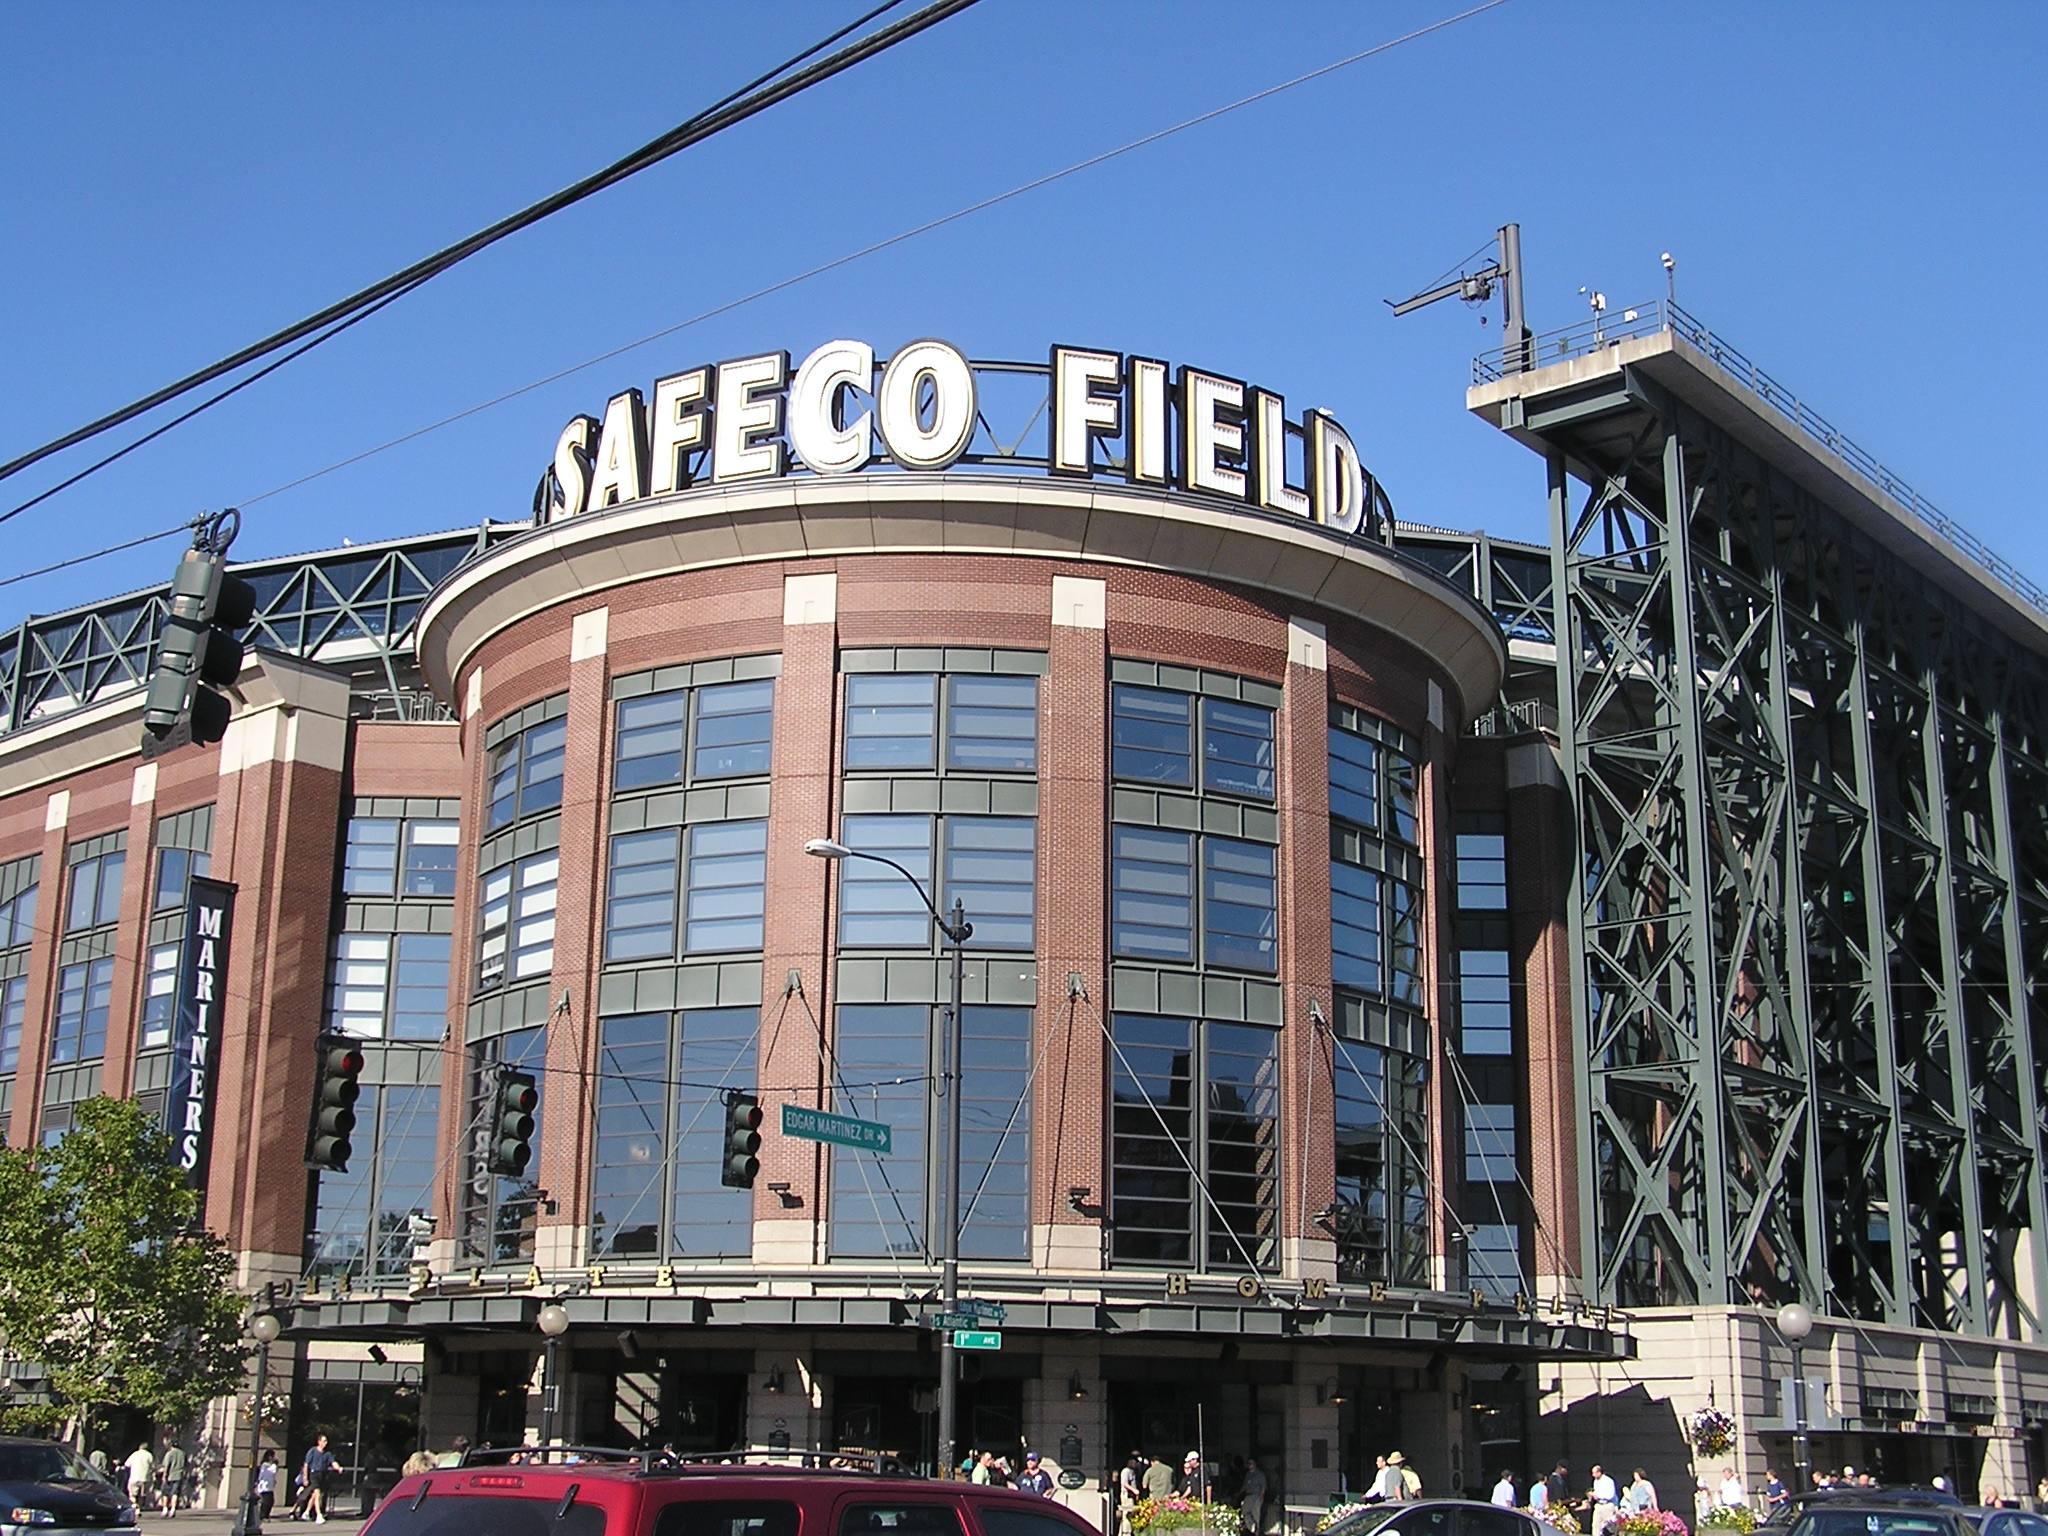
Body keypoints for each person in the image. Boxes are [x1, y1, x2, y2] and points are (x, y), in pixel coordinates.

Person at [299, 1433, 336, 1523]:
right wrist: (305, 1477)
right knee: (317, 1493)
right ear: (319, 1442)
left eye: (326, 1441)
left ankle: (306, 1512)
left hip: (322, 1475)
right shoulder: (312, 1451)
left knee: (315, 1495)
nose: (325, 1443)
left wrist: (338, 1468)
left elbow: (333, 1462)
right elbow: (306, 1464)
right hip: (313, 1474)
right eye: (323, 1441)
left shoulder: (327, 1454)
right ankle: (319, 1515)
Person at [1240, 1455, 1268, 1535]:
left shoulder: (1260, 1474)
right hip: (1248, 1496)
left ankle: (1257, 1532)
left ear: (1255, 1464)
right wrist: (1239, 1493)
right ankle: (1252, 1527)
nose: (1249, 1465)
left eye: (1251, 1463)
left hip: (1256, 1496)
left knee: (1256, 1515)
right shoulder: (1247, 1474)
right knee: (1245, 1513)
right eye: (1248, 1463)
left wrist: (1260, 1498)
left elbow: (1263, 1487)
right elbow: (1245, 1486)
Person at [124, 1444, 156, 1513]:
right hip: (144, 1478)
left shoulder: (135, 1454)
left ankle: (135, 1507)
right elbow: (153, 1466)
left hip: (134, 1477)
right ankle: (139, 1509)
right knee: (141, 1495)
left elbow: (127, 1464)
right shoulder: (149, 1455)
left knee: (132, 1495)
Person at [1588, 1464, 1618, 1536]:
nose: (1593, 1475)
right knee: (1595, 1525)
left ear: (1599, 1472)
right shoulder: (1595, 1481)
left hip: (1607, 1506)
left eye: (1594, 1473)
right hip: (1598, 1505)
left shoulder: (1608, 1481)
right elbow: (1597, 1491)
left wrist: (1599, 1496)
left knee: (1609, 1527)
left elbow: (1611, 1495)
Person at [160, 1441, 188, 1516]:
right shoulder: (183, 1453)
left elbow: (166, 1466)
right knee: (175, 1493)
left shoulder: (169, 1453)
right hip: (179, 1475)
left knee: (165, 1493)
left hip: (169, 1476)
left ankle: (165, 1509)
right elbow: (185, 1466)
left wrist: (164, 1476)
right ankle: (173, 1509)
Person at [254, 1450, 279, 1523]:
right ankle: (263, 1515)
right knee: (267, 1501)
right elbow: (271, 1472)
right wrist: (275, 1464)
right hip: (265, 1486)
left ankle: (266, 1515)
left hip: (269, 1486)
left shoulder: (269, 1465)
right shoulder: (265, 1465)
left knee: (270, 1501)